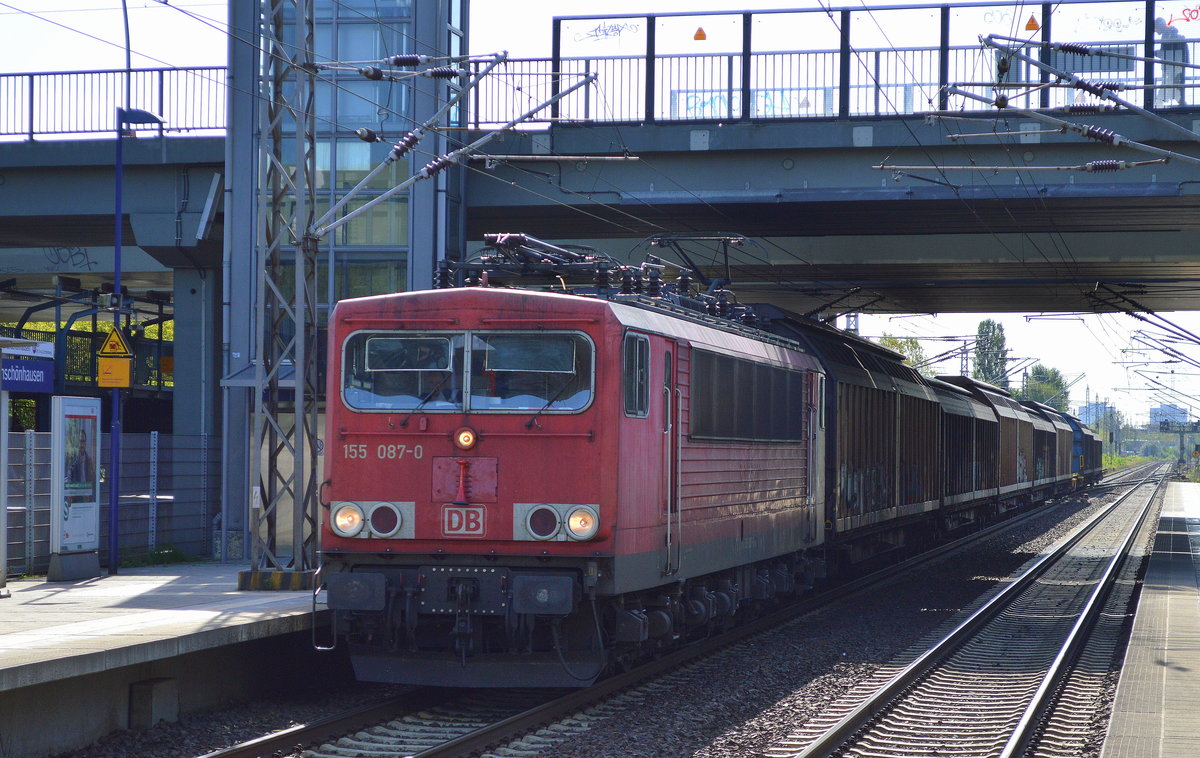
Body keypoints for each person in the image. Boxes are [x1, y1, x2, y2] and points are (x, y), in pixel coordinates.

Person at [1156, 18, 1189, 106]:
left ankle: (1159, 109)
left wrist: (1155, 53)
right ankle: (1182, 107)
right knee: (1176, 91)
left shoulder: (1167, 35)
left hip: (1173, 68)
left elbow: (1167, 54)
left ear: (1160, 25)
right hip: (1176, 67)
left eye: (1156, 28)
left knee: (1168, 91)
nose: (1155, 31)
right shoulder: (1170, 33)